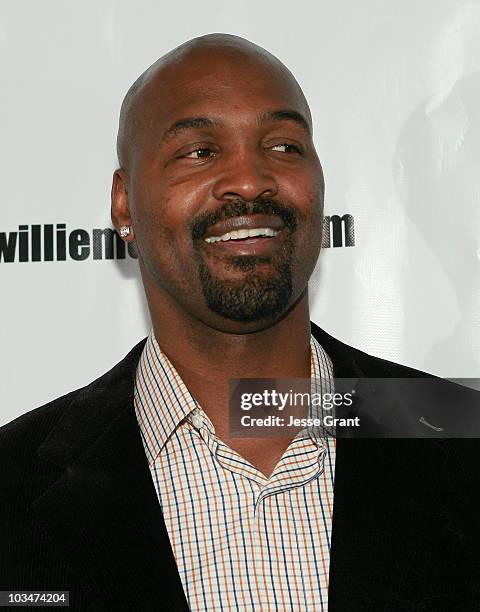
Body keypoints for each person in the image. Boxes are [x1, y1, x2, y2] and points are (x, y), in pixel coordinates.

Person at [1, 33, 479, 612]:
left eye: (283, 146)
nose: (250, 181)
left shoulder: (459, 433)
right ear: (123, 206)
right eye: (199, 152)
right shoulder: (14, 486)